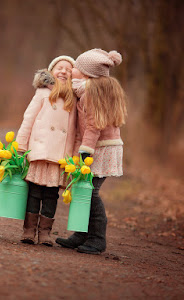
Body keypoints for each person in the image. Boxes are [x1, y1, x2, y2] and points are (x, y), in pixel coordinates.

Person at [55, 49, 128, 255]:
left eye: (76, 67)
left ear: (86, 74)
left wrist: (85, 151)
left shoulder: (90, 93)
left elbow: (94, 124)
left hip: (99, 148)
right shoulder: (88, 89)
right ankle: (81, 234)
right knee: (83, 191)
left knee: (91, 193)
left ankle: (97, 239)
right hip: (99, 146)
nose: (73, 69)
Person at [16, 56, 77, 246]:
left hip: (58, 156)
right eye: (60, 68)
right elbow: (29, 119)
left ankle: (45, 233)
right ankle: (29, 231)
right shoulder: (42, 93)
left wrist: (73, 157)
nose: (63, 71)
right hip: (39, 151)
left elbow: (75, 130)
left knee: (51, 195)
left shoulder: (74, 98)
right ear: (51, 72)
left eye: (68, 69)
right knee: (34, 192)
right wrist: (21, 145)